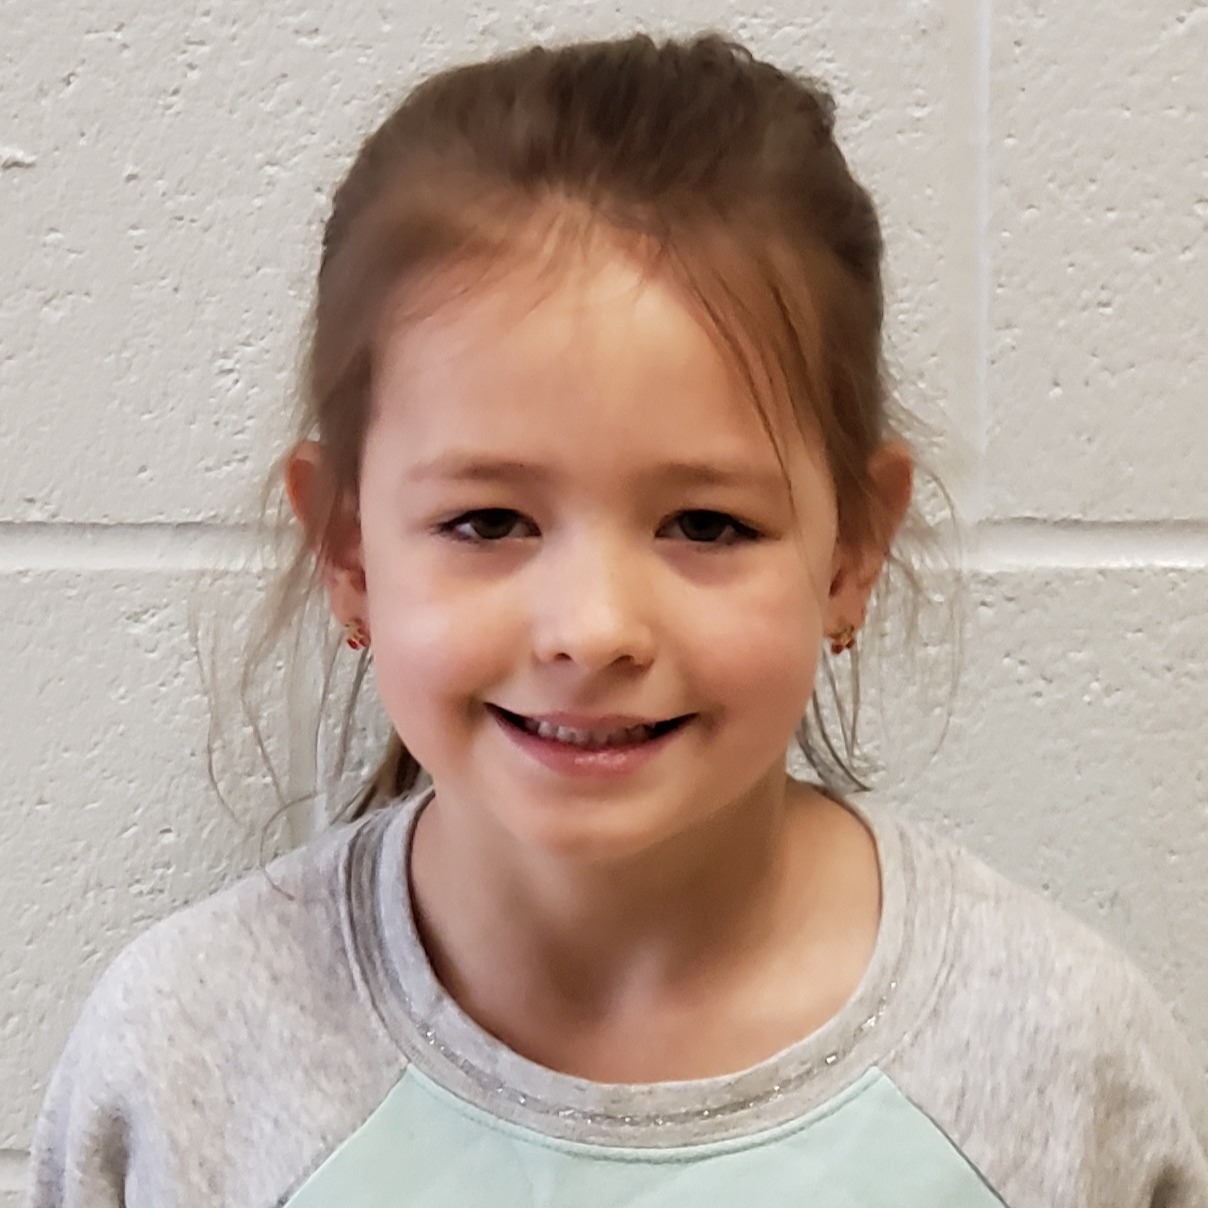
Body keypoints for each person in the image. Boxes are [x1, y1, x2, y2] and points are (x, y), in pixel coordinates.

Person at [27, 31, 1207, 1208]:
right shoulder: (186, 1058)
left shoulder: (1055, 1061)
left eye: (703, 524)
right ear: (346, 548)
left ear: (850, 548)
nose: (590, 630)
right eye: (488, 521)